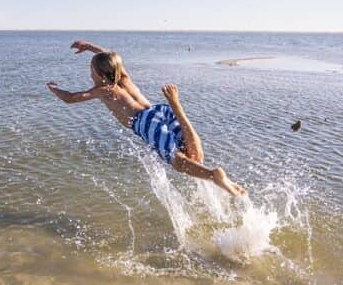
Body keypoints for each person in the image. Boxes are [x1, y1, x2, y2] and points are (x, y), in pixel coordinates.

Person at [46, 40, 246, 196]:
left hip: (144, 122)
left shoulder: (103, 90)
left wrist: (54, 89)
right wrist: (89, 46)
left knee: (177, 161)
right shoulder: (124, 77)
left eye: (91, 71)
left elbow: (71, 99)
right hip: (160, 110)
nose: (90, 74)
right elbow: (111, 58)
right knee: (194, 155)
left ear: (99, 74)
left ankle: (213, 175)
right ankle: (218, 177)